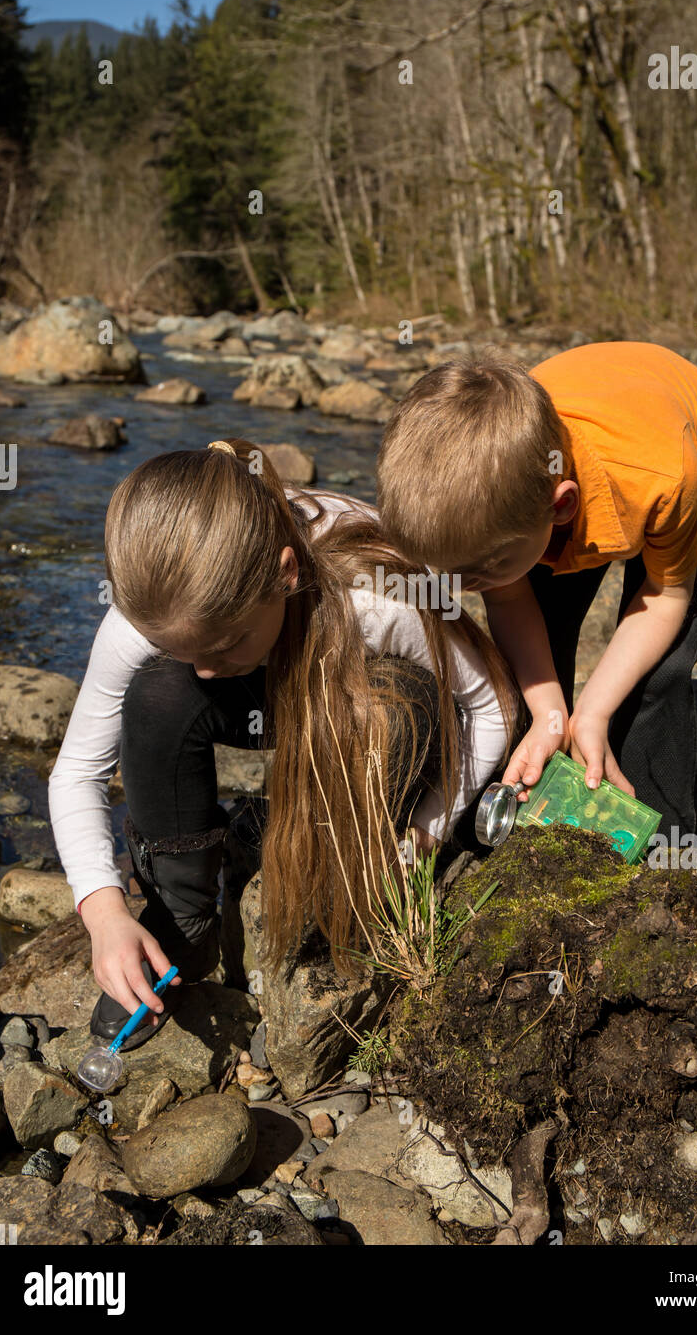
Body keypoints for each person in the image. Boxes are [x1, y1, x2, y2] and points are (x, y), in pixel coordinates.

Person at [48, 438, 518, 1049]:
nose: (206, 672)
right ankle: (185, 913)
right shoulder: (154, 607)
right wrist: (103, 914)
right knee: (159, 694)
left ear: (286, 573)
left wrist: (429, 829)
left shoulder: (377, 596)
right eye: (185, 650)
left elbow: (491, 708)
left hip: (349, 690)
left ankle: (340, 859)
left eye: (222, 646)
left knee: (394, 706)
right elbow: (78, 771)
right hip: (265, 692)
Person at [376, 341, 697, 838]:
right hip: (578, 464)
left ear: (559, 510)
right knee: (538, 655)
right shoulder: (505, 501)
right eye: (448, 572)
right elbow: (509, 596)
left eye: (478, 573)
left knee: (656, 675)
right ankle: (528, 793)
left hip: (693, 462)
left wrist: (594, 710)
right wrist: (552, 713)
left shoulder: (664, 479)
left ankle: (661, 841)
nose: (458, 589)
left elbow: (665, 595)